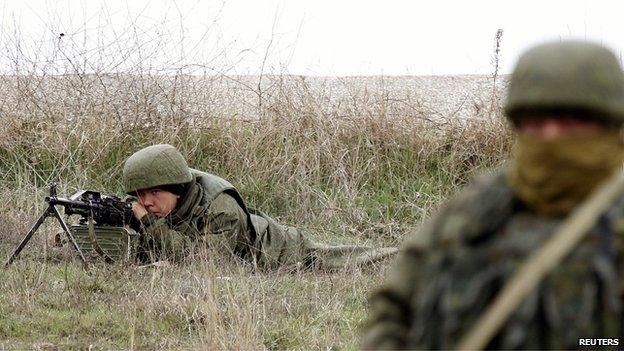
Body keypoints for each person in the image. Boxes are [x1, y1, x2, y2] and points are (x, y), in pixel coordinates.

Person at [361, 40, 624, 349]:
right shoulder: (473, 211)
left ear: (609, 123)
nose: (551, 135)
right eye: (536, 122)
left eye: (571, 120)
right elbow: (393, 309)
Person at [123, 143, 397, 270]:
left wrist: (149, 225)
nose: (145, 202)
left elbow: (204, 263)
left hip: (283, 251)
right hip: (258, 237)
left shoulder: (221, 208)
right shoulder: (168, 201)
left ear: (177, 189)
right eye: (140, 194)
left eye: (155, 193)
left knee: (351, 259)